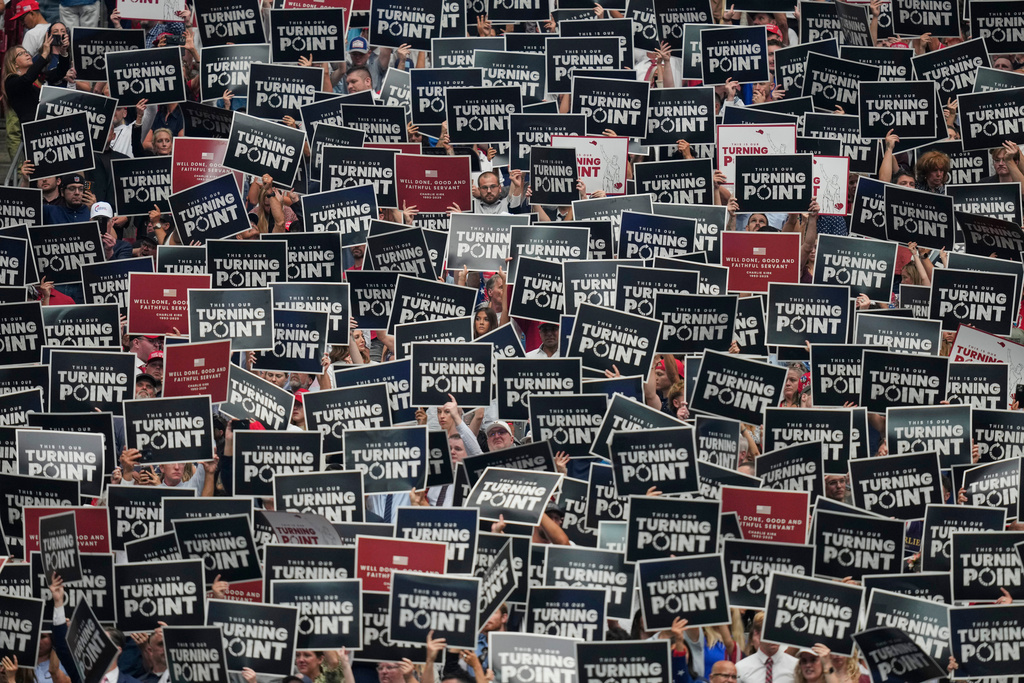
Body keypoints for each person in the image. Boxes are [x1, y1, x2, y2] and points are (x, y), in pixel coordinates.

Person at [736, 612, 798, 683]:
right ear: (757, 634)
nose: (774, 637)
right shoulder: (741, 668)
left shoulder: (795, 666)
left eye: (778, 632)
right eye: (770, 632)